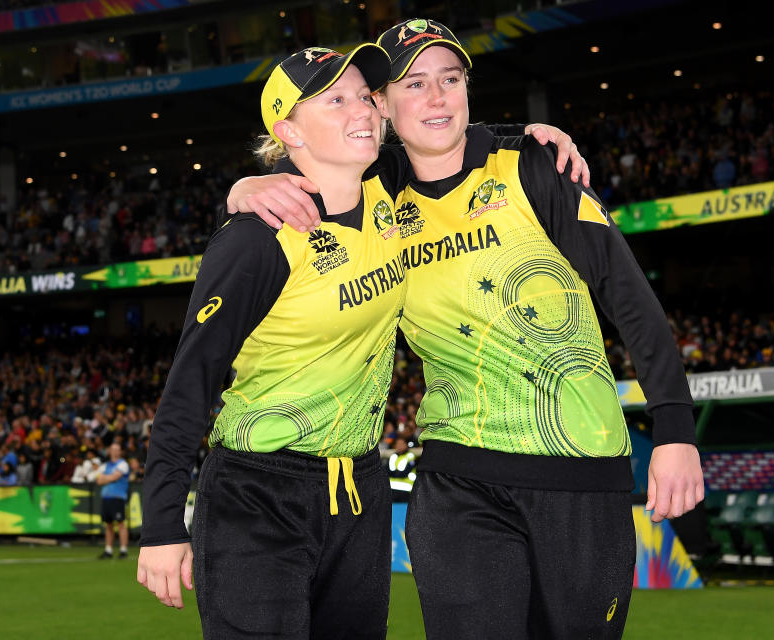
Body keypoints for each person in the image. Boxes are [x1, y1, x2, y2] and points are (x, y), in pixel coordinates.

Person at [228, 19, 704, 640]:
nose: (436, 98)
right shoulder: (376, 193)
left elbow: (630, 298)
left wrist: (674, 430)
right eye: (414, 84)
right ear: (383, 107)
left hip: (579, 473)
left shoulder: (535, 168)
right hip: (456, 480)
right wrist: (245, 185)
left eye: (450, 80)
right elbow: (299, 183)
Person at [137, 44, 404, 639]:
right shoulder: (257, 240)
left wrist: (532, 139)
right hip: (257, 495)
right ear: (288, 130)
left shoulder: (392, 187)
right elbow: (190, 381)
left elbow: (453, 137)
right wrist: (160, 524)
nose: (362, 110)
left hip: (360, 492)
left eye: (365, 96)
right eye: (334, 99)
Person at [97, 442, 130, 559]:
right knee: (108, 524)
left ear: (120, 451)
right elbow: (99, 481)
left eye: (117, 449)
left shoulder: (123, 464)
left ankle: (123, 549)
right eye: (113, 449)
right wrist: (110, 478)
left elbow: (114, 477)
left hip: (118, 497)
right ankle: (108, 550)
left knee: (120, 523)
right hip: (106, 497)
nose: (115, 451)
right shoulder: (106, 465)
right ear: (110, 451)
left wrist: (107, 477)